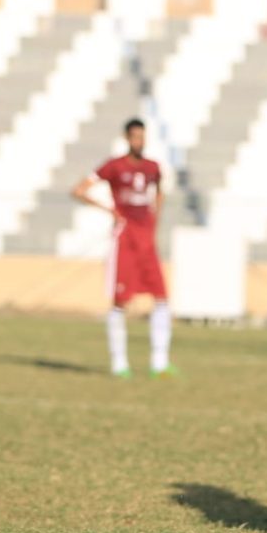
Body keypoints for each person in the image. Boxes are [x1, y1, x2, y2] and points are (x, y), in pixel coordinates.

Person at [71, 117, 175, 379]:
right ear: (127, 138)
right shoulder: (114, 166)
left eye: (142, 136)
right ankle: (119, 363)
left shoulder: (153, 167)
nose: (139, 141)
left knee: (162, 298)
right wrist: (110, 210)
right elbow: (79, 190)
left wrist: (155, 219)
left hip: (146, 241)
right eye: (135, 137)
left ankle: (160, 363)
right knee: (120, 302)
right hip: (125, 241)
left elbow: (159, 192)